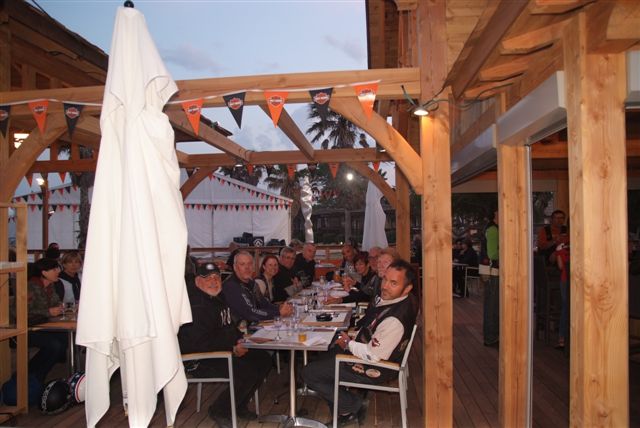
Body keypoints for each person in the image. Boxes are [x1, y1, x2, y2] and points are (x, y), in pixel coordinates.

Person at [302, 259, 419, 425]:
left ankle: (351, 406)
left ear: (407, 288)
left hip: (377, 367)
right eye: (385, 279)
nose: (385, 286)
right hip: (371, 351)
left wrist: (349, 344)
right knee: (326, 355)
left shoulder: (395, 320)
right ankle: (343, 404)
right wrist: (350, 339)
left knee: (309, 373)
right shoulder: (396, 300)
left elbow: (373, 356)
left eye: (393, 283)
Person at [178, 262, 271, 428]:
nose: (213, 281)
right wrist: (232, 349)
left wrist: (242, 339)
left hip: (223, 350)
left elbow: (228, 327)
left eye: (216, 277)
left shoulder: (218, 298)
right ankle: (220, 410)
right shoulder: (196, 306)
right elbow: (200, 342)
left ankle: (239, 405)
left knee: (263, 359)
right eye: (208, 278)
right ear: (198, 281)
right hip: (201, 359)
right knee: (247, 371)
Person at [25, 258, 67, 383]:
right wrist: (48, 312)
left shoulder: (50, 286)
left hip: (42, 325)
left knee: (65, 339)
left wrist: (60, 307)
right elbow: (23, 311)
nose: (58, 271)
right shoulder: (30, 287)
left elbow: (56, 302)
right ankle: (34, 375)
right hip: (26, 328)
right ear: (44, 272)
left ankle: (35, 372)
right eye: (54, 269)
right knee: (55, 345)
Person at [222, 251, 292, 323]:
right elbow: (250, 313)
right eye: (242, 264)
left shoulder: (252, 283)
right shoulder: (231, 286)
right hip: (239, 328)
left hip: (252, 325)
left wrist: (280, 308)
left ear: (253, 266)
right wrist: (278, 313)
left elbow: (264, 304)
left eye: (250, 264)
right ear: (235, 267)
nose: (247, 267)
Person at [483, 210, 500, 347]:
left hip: (489, 271)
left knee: (491, 305)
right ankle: (491, 337)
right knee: (492, 306)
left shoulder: (491, 228)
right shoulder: (493, 230)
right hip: (493, 271)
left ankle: (491, 336)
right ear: (495, 213)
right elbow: (493, 254)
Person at [555, 242, 570, 349]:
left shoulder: (562, 246)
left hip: (567, 281)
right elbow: (560, 266)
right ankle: (562, 337)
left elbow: (560, 266)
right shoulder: (562, 246)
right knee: (566, 308)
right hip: (567, 281)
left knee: (565, 308)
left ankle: (562, 338)